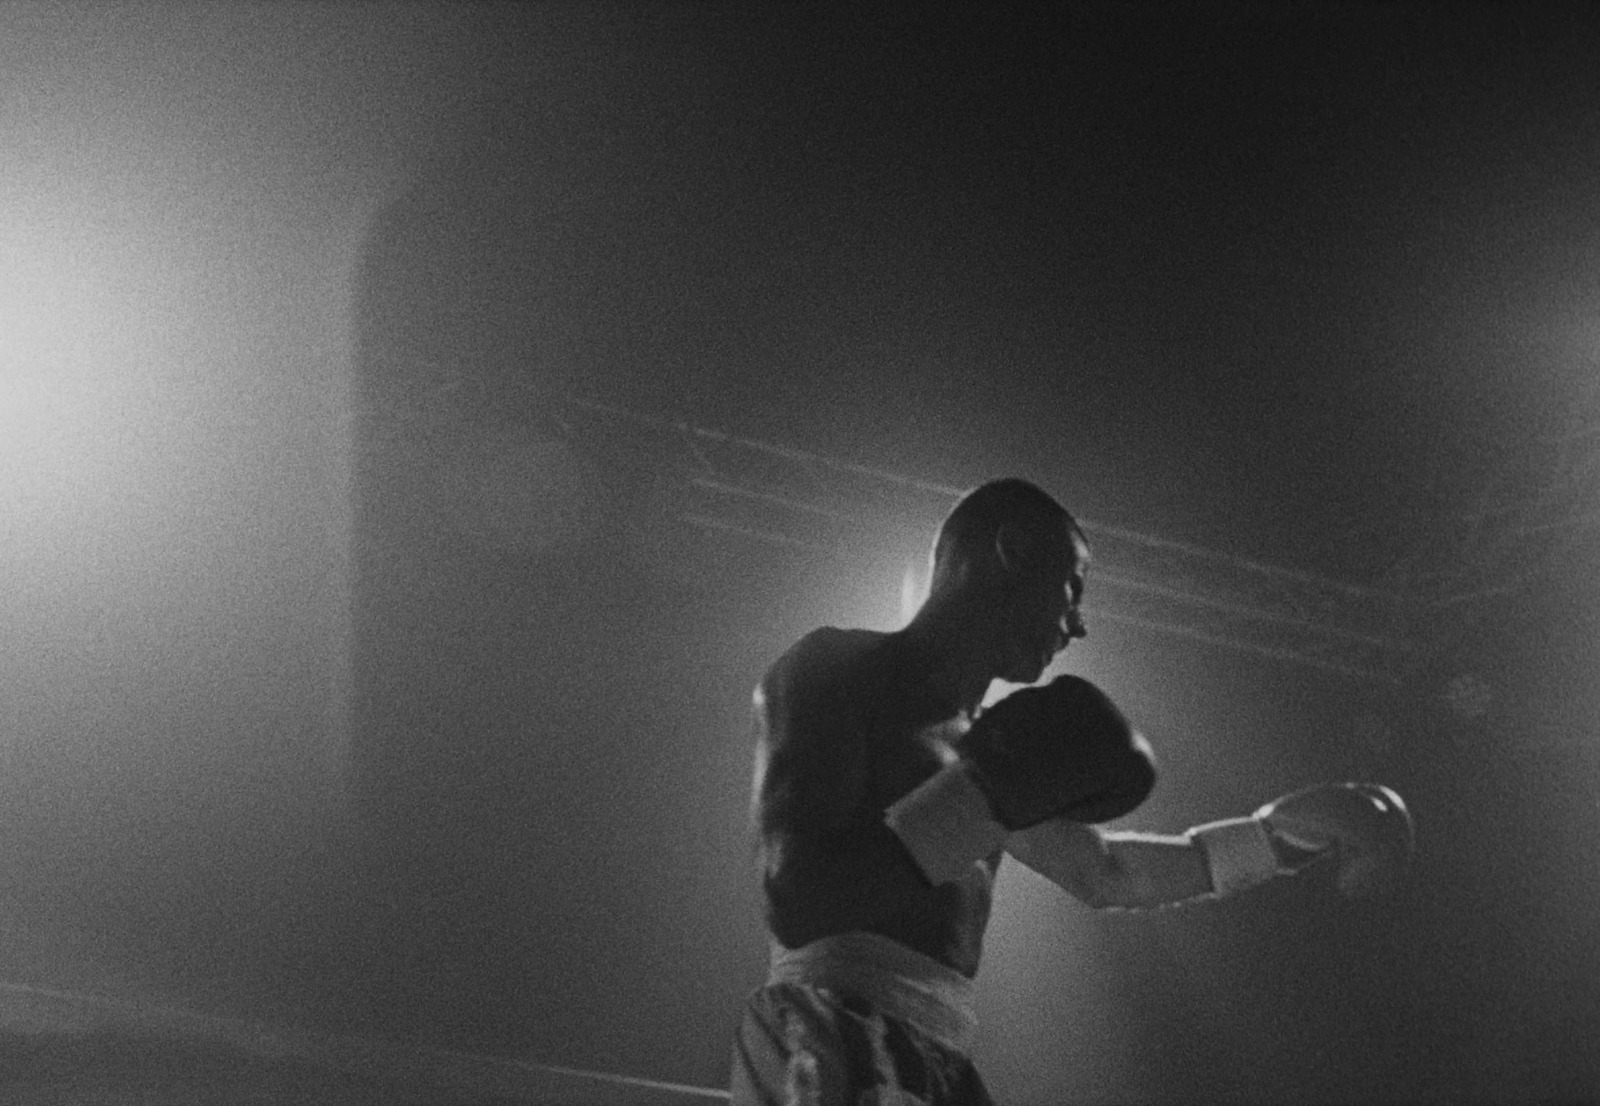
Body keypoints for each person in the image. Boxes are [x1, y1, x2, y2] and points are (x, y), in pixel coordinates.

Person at [728, 478, 1414, 1106]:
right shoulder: (838, 669)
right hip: (824, 1033)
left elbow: (1106, 871)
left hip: (938, 1053)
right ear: (1014, 551)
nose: (1078, 622)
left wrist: (1278, 837)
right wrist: (983, 798)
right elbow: (799, 898)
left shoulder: (992, 752)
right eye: (1072, 586)